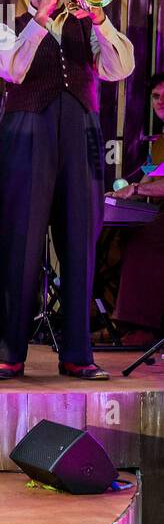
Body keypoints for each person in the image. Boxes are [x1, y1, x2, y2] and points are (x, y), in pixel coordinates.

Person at [0, 0, 135, 380]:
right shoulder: (6, 27)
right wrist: (42, 18)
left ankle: (77, 353)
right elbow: (11, 69)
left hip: (80, 131)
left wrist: (101, 20)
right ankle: (11, 351)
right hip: (27, 132)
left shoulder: (88, 25)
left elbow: (120, 67)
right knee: (19, 239)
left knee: (79, 239)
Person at [108, 72, 164, 346]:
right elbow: (150, 178)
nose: (160, 102)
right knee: (110, 235)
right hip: (156, 212)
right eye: (156, 97)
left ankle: (143, 327)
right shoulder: (161, 141)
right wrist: (119, 196)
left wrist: (137, 190)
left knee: (145, 240)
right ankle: (110, 321)